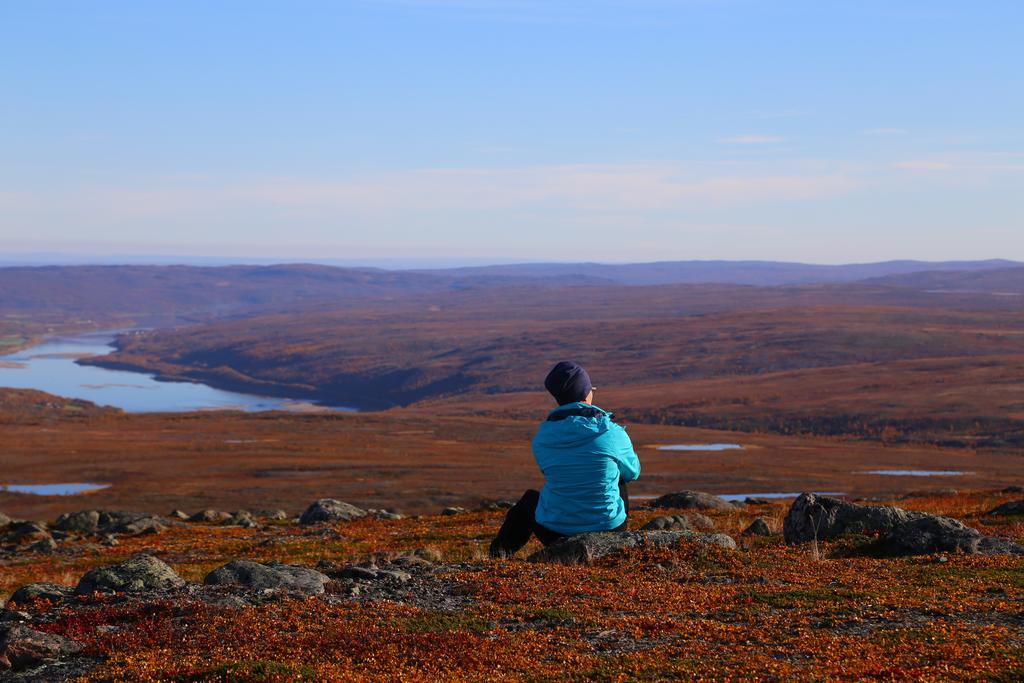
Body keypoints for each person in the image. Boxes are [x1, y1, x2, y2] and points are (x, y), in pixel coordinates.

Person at [489, 360, 641, 558]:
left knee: (529, 501)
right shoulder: (612, 433)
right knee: (619, 476)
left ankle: (496, 557)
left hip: (555, 532)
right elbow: (634, 472)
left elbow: (550, 472)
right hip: (609, 529)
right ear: (587, 393)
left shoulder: (543, 437)